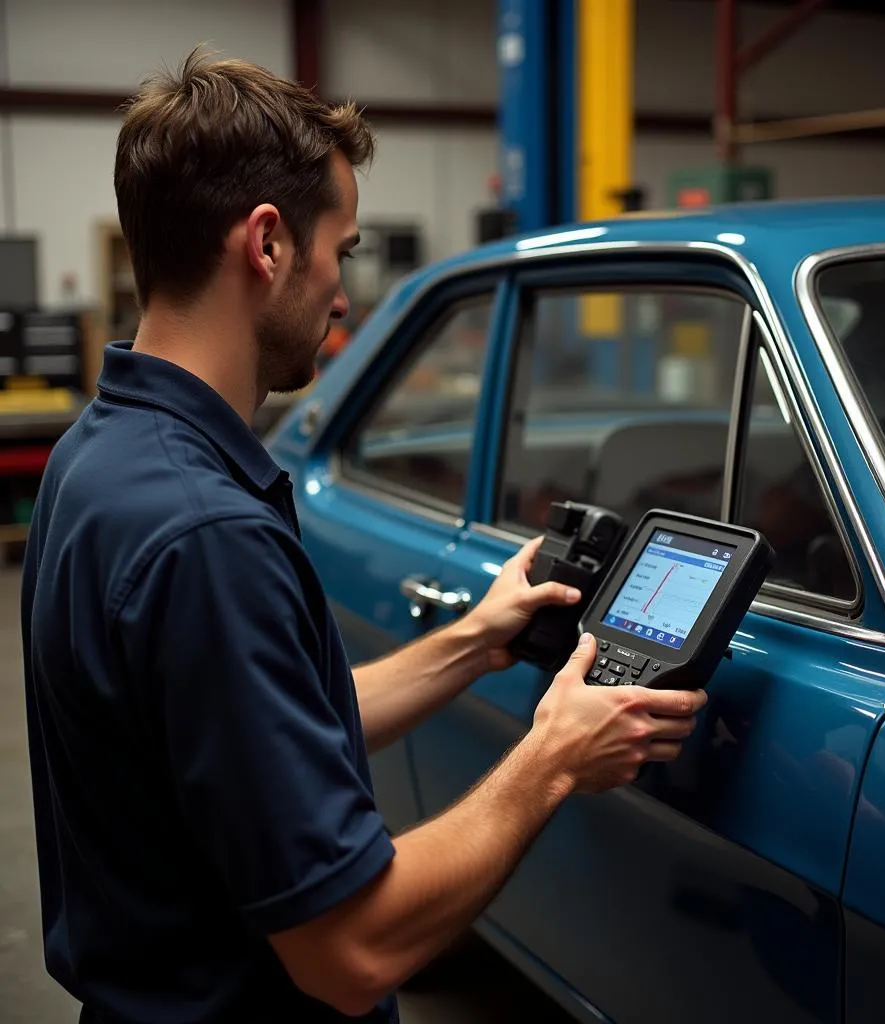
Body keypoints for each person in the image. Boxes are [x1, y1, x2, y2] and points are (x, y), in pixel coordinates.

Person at [20, 51, 708, 1024]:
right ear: (266, 245)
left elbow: (265, 733)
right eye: (340, 249)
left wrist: (477, 639)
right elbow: (351, 945)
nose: (344, 292)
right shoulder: (207, 536)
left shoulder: (99, 456)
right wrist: (553, 754)